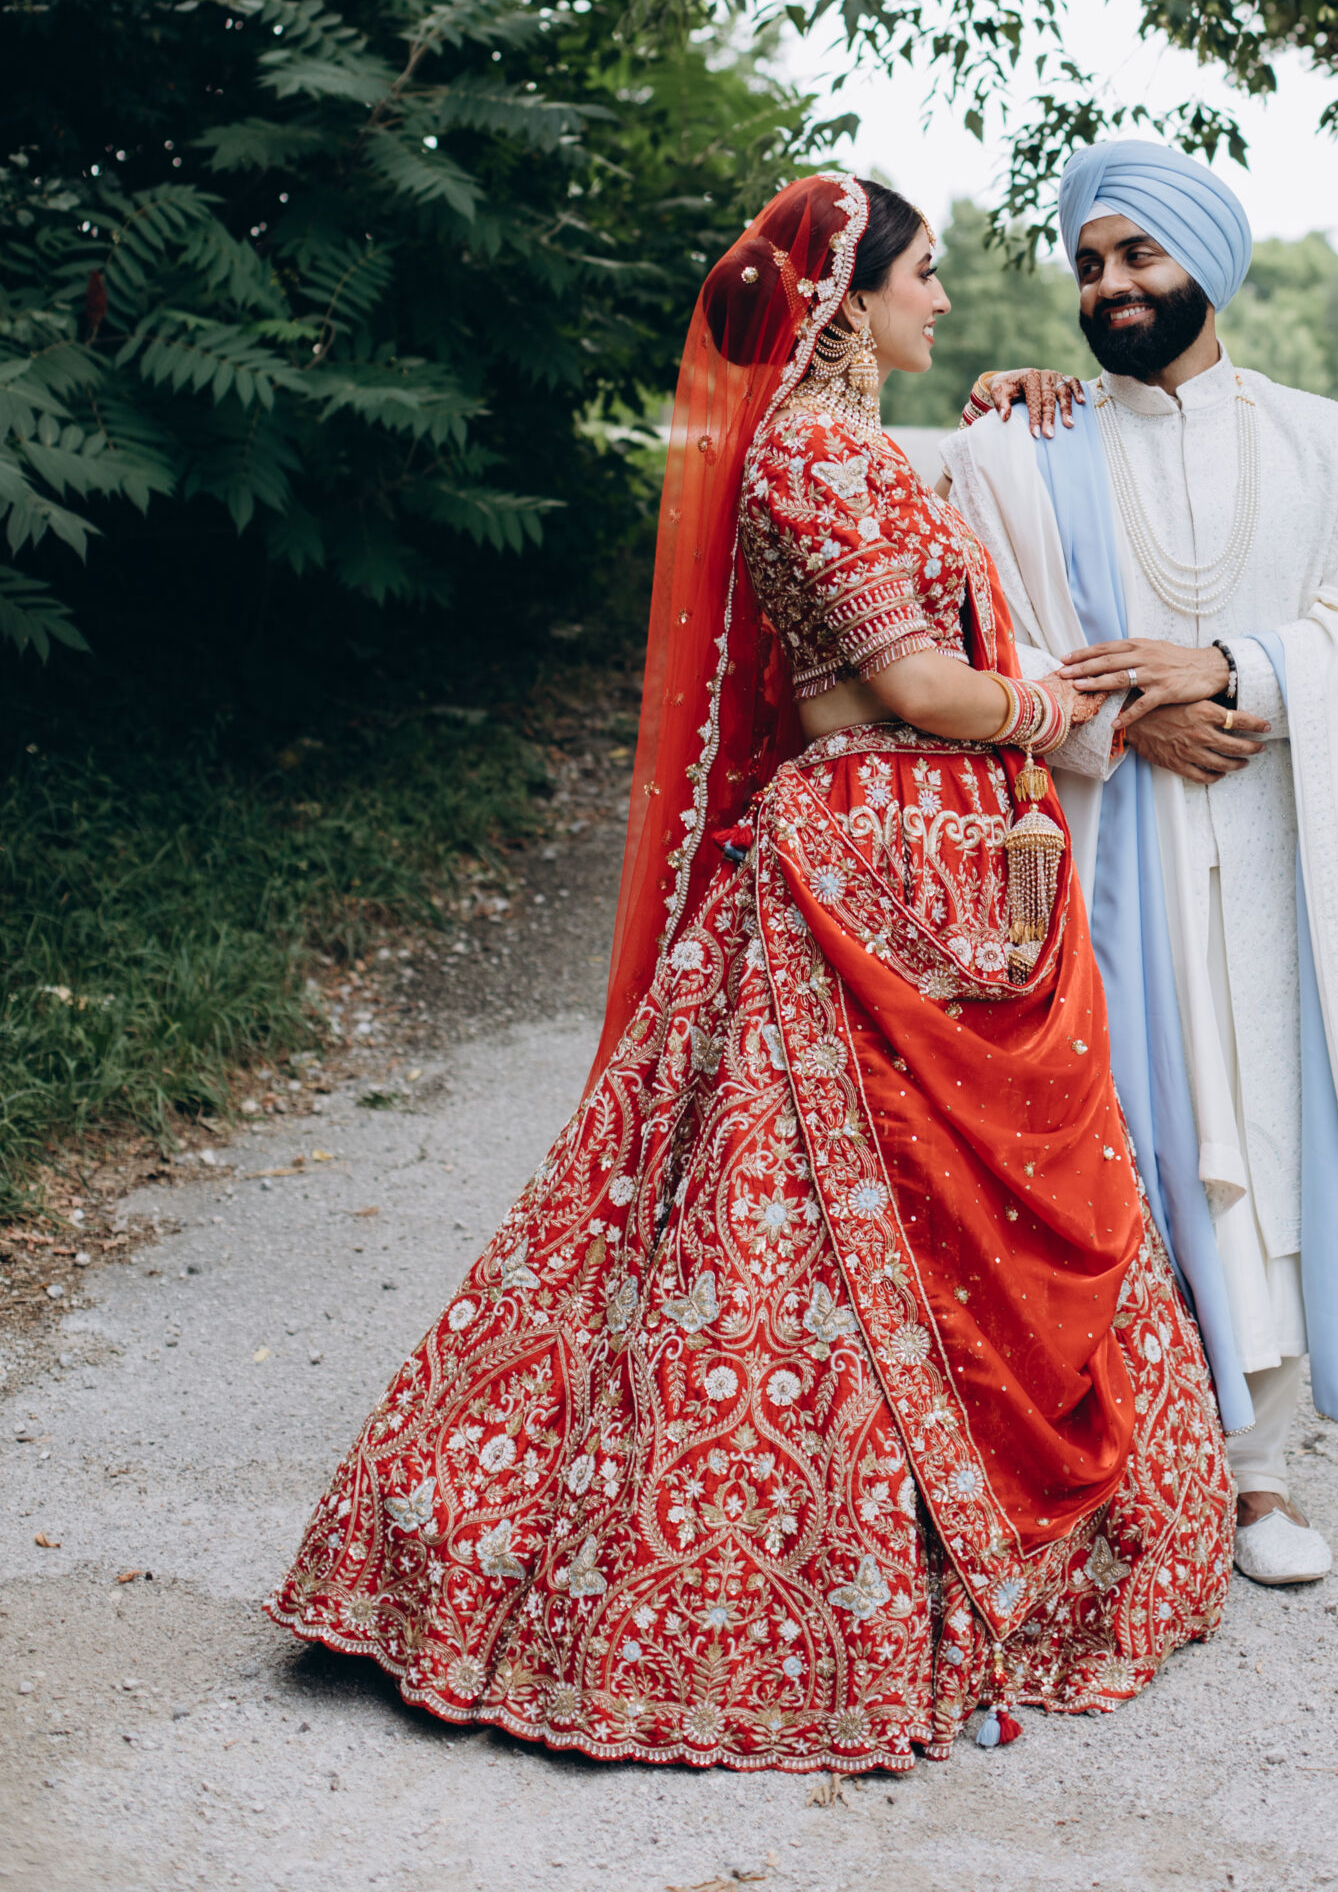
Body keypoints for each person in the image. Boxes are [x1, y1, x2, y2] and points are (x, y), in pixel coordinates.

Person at [266, 172, 1233, 1772]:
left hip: (945, 868)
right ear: (850, 296)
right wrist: (1061, 706)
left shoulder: (857, 447)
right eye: (926, 277)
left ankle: (969, 1557)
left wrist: (1028, 395)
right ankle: (765, 1595)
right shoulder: (808, 458)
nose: (945, 302)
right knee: (794, 1228)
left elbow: (976, 511)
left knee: (946, 1208)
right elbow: (916, 685)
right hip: (865, 866)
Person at [939, 140, 1338, 1588]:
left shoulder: (1324, 439)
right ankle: (1113, 1467)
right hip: (1115, 843)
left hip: (1282, 848)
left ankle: (1258, 1476)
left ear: (1207, 261)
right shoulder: (1027, 444)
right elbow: (983, 630)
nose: (1111, 286)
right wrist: (1126, 721)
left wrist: (1227, 667)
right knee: (1122, 1141)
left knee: (1267, 1147)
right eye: (1090, 265)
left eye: (1139, 256)